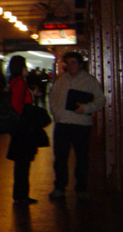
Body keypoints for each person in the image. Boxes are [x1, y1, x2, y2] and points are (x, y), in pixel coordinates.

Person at [48, 52, 106, 201]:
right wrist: (56, 113)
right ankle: (59, 187)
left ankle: (81, 188)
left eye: (73, 63)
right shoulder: (62, 80)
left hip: (81, 124)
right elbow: (53, 96)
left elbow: (101, 100)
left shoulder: (90, 81)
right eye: (67, 63)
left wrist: (86, 108)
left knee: (81, 158)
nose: (70, 66)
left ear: (80, 64)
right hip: (63, 124)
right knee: (60, 158)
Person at [6, 55, 46, 205]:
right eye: (25, 67)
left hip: (20, 128)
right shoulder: (19, 83)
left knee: (21, 163)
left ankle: (21, 194)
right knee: (23, 163)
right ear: (21, 68)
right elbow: (17, 105)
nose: (27, 70)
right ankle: (21, 195)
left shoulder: (15, 82)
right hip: (23, 129)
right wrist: (28, 113)